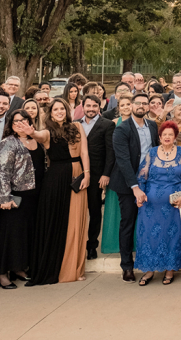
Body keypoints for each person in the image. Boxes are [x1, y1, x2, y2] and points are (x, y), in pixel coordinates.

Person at [27, 99, 90, 286]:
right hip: (56, 179)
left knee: (76, 221)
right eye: (56, 109)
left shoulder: (77, 127)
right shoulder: (47, 132)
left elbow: (85, 153)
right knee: (58, 221)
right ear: (50, 113)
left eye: (62, 108)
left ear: (67, 110)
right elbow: (39, 135)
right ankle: (60, 268)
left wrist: (87, 174)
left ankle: (75, 269)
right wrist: (32, 133)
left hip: (78, 175)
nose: (60, 111)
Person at [134, 120, 181, 285]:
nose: (167, 137)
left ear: (175, 137)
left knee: (173, 235)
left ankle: (170, 269)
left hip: (175, 204)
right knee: (149, 236)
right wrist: (139, 196)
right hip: (151, 205)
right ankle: (149, 270)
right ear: (159, 137)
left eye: (171, 134)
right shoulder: (151, 153)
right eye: (164, 134)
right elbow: (142, 177)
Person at [109, 92, 159, 282]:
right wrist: (135, 186)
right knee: (128, 223)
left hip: (150, 181)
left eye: (144, 103)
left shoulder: (153, 126)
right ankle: (127, 266)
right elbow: (122, 160)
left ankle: (149, 262)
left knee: (149, 223)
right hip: (127, 183)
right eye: (137, 103)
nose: (141, 106)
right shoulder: (122, 129)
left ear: (148, 107)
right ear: (130, 105)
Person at [0, 109, 44, 289]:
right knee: (10, 235)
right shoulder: (8, 143)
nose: (20, 124)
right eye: (16, 121)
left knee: (26, 235)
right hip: (16, 197)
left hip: (35, 196)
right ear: (11, 125)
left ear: (31, 122)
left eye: (24, 120)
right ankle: (2, 274)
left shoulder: (37, 141)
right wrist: (4, 197)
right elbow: (2, 172)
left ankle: (19, 268)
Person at [80, 94, 114, 261]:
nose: (91, 109)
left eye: (94, 106)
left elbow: (110, 152)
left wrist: (106, 174)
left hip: (96, 175)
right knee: (77, 211)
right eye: (88, 106)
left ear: (99, 106)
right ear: (83, 106)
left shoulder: (106, 125)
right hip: (76, 175)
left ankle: (91, 245)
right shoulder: (75, 125)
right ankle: (76, 244)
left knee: (94, 211)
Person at [101, 94, 133, 255]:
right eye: (123, 105)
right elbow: (109, 152)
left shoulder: (141, 124)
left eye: (129, 104)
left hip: (135, 172)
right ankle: (114, 243)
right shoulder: (113, 124)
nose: (126, 107)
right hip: (116, 172)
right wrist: (106, 174)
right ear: (118, 108)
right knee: (117, 211)